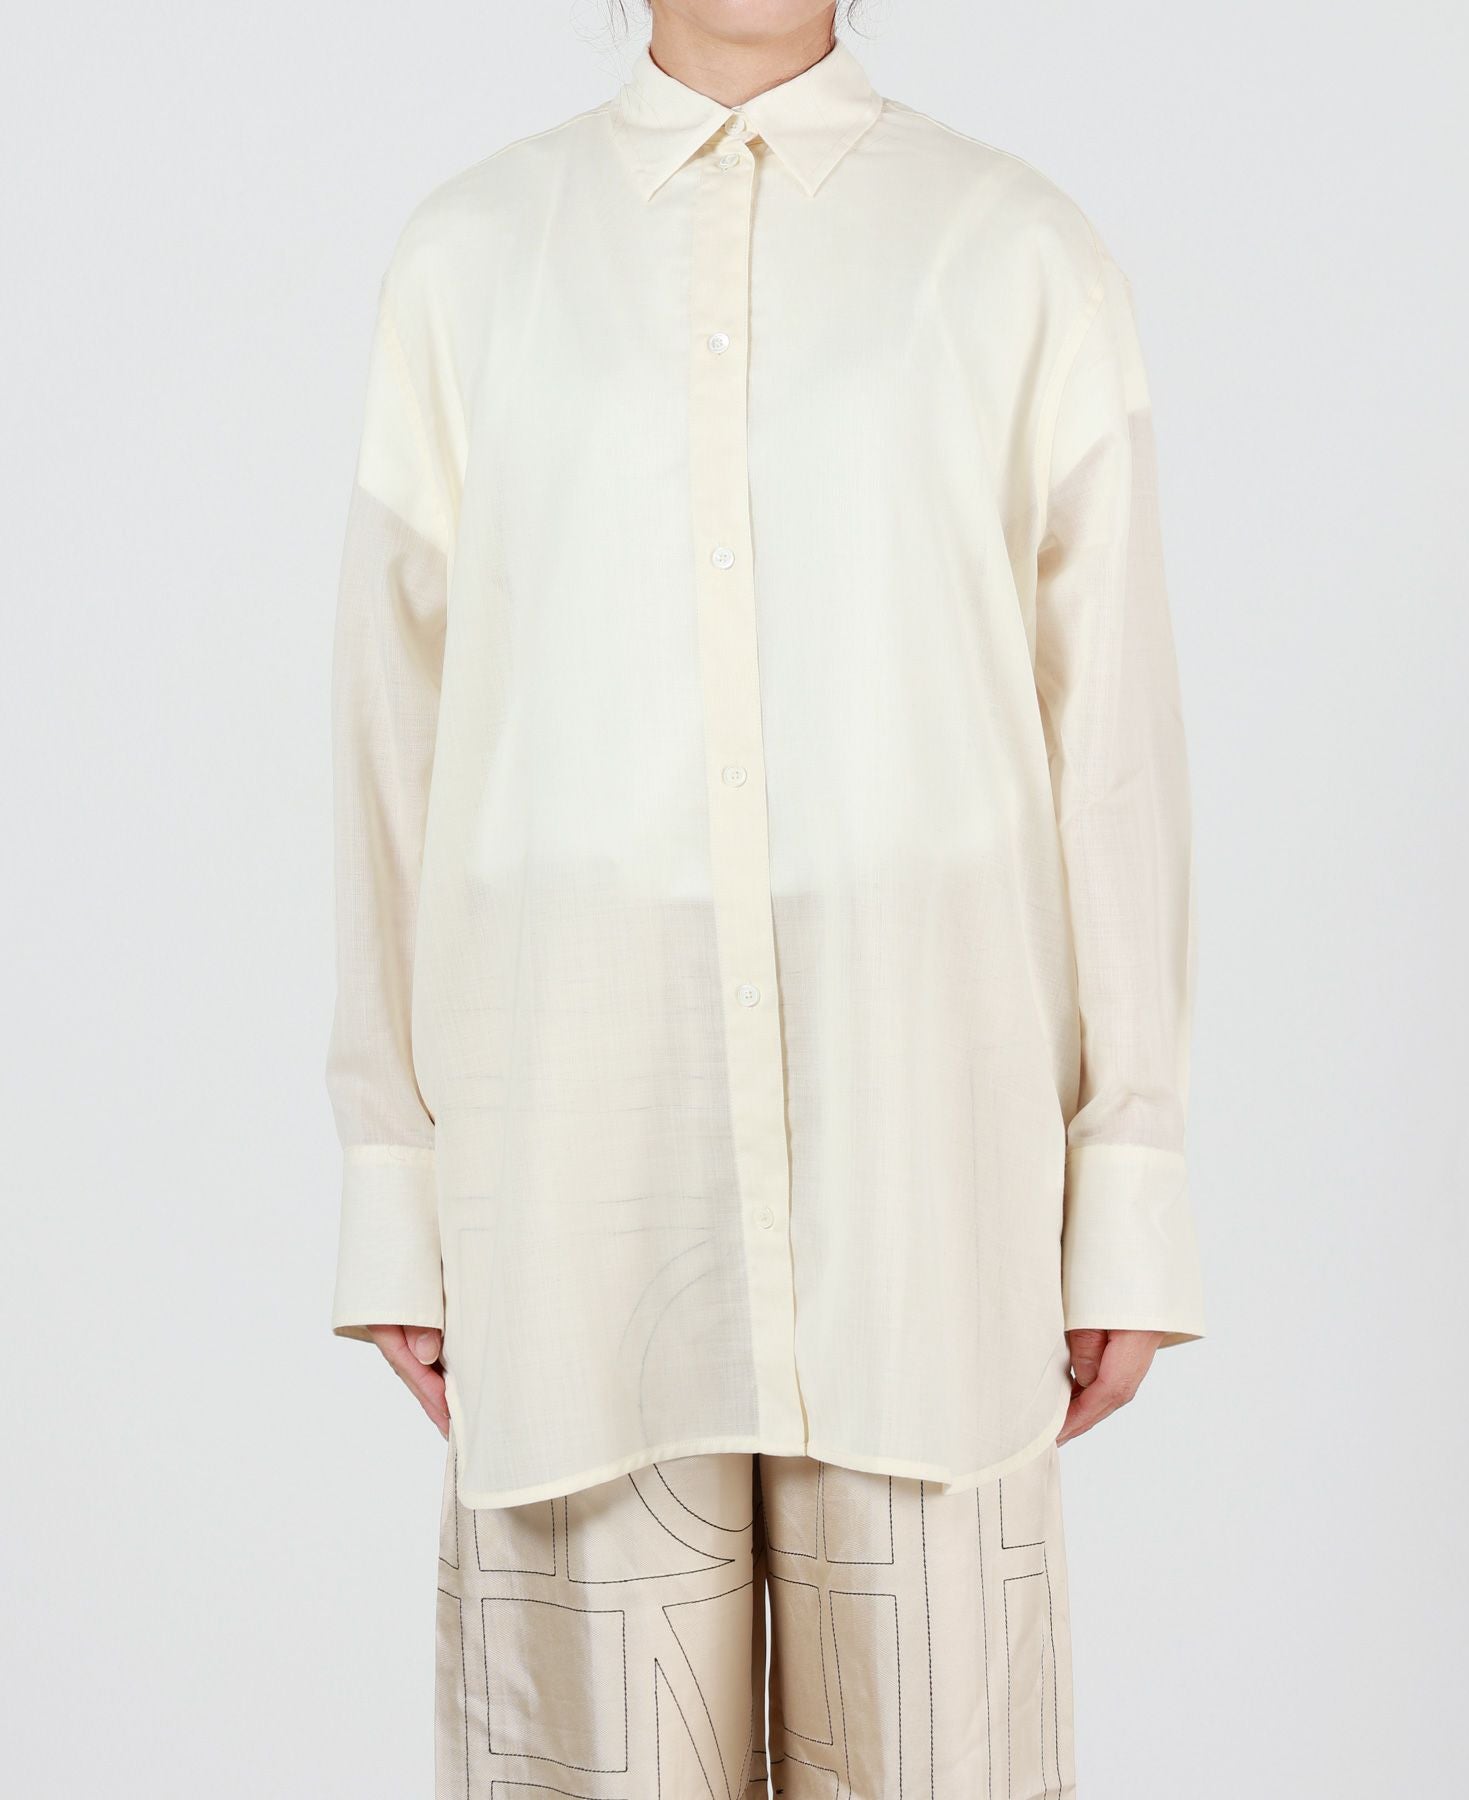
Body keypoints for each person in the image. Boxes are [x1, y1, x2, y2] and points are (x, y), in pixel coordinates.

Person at [325, 2, 1204, 1793]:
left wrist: (1128, 1175)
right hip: (577, 1190)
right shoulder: (473, 258)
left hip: (925, 1189)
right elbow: (392, 747)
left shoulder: (1014, 249)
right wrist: (395, 1187)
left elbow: (1110, 749)